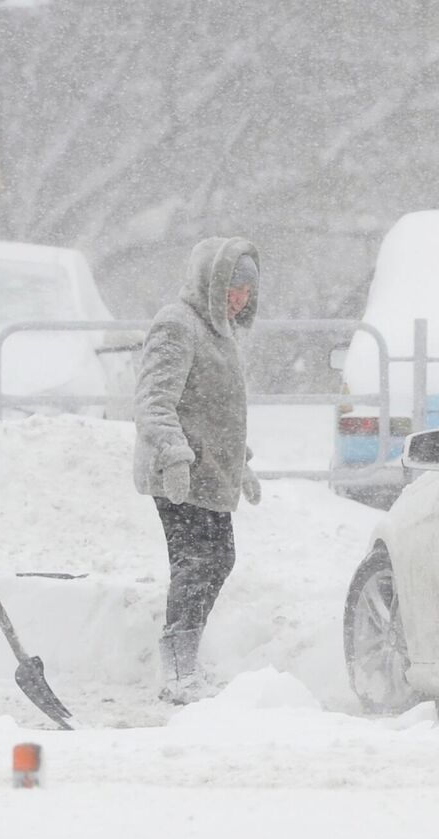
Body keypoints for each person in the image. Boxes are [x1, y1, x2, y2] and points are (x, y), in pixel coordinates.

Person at [134, 237, 263, 704]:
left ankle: (183, 661)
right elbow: (153, 401)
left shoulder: (220, 333)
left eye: (247, 291)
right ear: (209, 282)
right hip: (181, 473)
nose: (239, 299)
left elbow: (216, 409)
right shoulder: (177, 325)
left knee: (215, 561)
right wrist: (173, 454)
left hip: (212, 473)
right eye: (232, 287)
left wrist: (240, 462)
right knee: (197, 565)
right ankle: (177, 670)